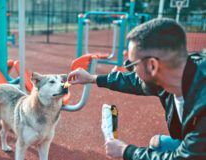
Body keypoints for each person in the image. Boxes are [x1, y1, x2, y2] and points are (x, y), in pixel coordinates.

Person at [67, 18, 206, 160]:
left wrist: (126, 151)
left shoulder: (202, 104)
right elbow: (135, 81)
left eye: (132, 64)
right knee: (158, 145)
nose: (131, 69)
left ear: (152, 65)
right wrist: (92, 78)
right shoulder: (175, 71)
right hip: (196, 146)